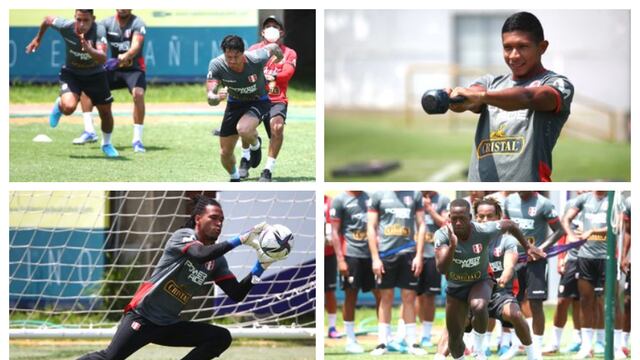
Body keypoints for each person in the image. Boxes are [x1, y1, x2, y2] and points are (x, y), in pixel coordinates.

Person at [77, 196, 277, 359]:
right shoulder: (183, 235)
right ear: (198, 218)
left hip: (168, 324)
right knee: (109, 358)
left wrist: (260, 266)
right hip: (143, 316)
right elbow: (200, 254)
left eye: (221, 220)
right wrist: (240, 239)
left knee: (220, 337)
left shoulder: (218, 261)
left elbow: (236, 294)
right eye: (214, 218)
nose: (219, 224)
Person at [447, 11, 574, 182]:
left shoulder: (558, 84)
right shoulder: (489, 82)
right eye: (508, 47)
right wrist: (455, 100)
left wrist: (481, 96)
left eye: (522, 47)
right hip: (481, 189)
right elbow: (472, 101)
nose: (513, 55)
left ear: (542, 47)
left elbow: (528, 97)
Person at [434, 198, 545, 360]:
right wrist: (452, 246)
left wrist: (528, 247)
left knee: (481, 306)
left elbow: (511, 227)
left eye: (462, 218)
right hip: (457, 289)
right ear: (449, 217)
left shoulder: (487, 232)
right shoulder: (442, 235)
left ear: (469, 218)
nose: (458, 223)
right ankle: (447, 354)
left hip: (487, 285)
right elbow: (442, 268)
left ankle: (481, 350)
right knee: (455, 341)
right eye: (454, 219)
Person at [26, 9, 119, 158]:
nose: (82, 24)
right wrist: (38, 38)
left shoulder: (99, 29)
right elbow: (47, 20)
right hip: (72, 73)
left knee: (106, 113)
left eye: (86, 20)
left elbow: (102, 58)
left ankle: (107, 144)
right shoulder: (66, 26)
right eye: (79, 19)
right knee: (68, 107)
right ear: (74, 17)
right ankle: (60, 104)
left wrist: (89, 49)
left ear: (93, 19)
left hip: (96, 75)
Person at [206, 35, 283, 182]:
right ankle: (235, 178)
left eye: (236, 56)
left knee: (244, 129)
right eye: (229, 57)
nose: (232, 61)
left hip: (258, 101)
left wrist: (279, 59)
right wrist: (217, 97)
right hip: (234, 103)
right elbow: (210, 98)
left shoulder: (256, 58)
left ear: (243, 53)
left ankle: (255, 145)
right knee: (224, 153)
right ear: (224, 54)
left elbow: (273, 47)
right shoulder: (216, 65)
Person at [76, 9, 148, 153]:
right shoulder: (105, 23)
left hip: (134, 70)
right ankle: (89, 131)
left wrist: (126, 55)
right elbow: (98, 38)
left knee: (138, 94)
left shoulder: (138, 23)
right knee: (87, 85)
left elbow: (135, 46)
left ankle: (137, 140)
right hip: (114, 68)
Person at [503, 191, 564, 355]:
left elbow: (559, 231)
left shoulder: (544, 204)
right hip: (514, 259)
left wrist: (540, 249)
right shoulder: (508, 201)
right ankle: (516, 345)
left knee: (535, 303)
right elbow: (504, 227)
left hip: (536, 262)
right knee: (511, 301)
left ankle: (536, 348)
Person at [367, 191, 426, 356]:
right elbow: (371, 227)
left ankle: (412, 343)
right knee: (385, 297)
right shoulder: (378, 195)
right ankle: (382, 343)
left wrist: (419, 255)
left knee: (409, 297)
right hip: (386, 254)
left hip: (408, 254)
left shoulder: (415, 194)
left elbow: (421, 225)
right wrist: (375, 258)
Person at [248, 15, 297, 182]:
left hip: (277, 99)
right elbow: (246, 71)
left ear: (281, 32)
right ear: (262, 32)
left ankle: (268, 169)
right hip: (255, 98)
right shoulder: (254, 49)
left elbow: (287, 73)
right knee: (245, 130)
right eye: (268, 26)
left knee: (277, 128)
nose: (271, 29)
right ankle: (253, 147)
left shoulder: (289, 53)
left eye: (275, 26)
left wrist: (270, 74)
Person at [562, 191, 610, 359]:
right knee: (585, 301)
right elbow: (566, 219)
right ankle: (586, 346)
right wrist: (571, 235)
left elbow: (617, 225)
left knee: (607, 301)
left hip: (607, 257)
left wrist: (593, 231)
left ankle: (611, 343)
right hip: (585, 258)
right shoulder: (584, 199)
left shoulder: (614, 197)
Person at [330, 191, 378, 353]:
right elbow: (335, 232)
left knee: (381, 294)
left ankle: (384, 339)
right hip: (351, 256)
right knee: (351, 295)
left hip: (372, 255)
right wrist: (340, 260)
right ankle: (350, 340)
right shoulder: (340, 200)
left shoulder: (370, 198)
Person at [543, 191, 585, 355]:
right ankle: (554, 343)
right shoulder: (571, 205)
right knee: (562, 301)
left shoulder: (600, 203)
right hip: (571, 259)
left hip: (590, 259)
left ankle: (580, 340)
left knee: (582, 302)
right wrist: (561, 258)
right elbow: (562, 232)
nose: (582, 190)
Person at [417, 191, 449, 347]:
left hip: (433, 254)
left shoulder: (442, 198)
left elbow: (445, 223)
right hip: (413, 252)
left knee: (429, 296)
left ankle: (426, 335)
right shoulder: (414, 196)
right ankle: (412, 334)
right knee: (413, 295)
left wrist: (429, 209)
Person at [324, 195, 340, 339]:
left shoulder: (330, 202)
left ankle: (332, 327)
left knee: (329, 291)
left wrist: (329, 238)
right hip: (311, 255)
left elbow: (334, 227)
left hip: (329, 254)